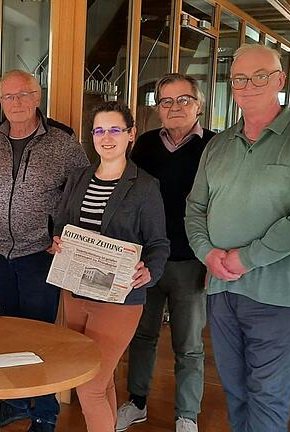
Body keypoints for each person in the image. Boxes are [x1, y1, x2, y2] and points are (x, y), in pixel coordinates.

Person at [185, 44, 290, 432]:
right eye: (240, 78)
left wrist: (245, 258)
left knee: (268, 395)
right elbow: (195, 208)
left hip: (280, 295)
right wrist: (207, 253)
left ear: (279, 81)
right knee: (235, 391)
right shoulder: (218, 145)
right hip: (221, 291)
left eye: (260, 76)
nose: (248, 85)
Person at [0, 69, 89, 432]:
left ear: (37, 97)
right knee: (6, 331)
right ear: (0, 102)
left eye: (23, 95)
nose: (15, 103)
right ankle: (16, 401)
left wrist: (63, 234)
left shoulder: (63, 142)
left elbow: (82, 194)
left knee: (41, 335)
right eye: (8, 97)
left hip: (41, 254)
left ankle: (45, 411)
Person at [49, 101, 169, 432]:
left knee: (88, 384)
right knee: (100, 383)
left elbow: (159, 243)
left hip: (120, 299)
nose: (107, 137)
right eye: (100, 130)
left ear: (130, 135)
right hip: (75, 292)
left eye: (115, 129)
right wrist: (57, 241)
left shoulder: (144, 185)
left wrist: (150, 271)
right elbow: (60, 225)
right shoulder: (79, 177)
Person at [117, 73, 215, 432]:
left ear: (199, 105)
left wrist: (212, 258)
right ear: (157, 108)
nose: (174, 108)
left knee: (188, 344)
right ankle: (137, 402)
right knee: (142, 336)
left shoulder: (215, 147)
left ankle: (186, 415)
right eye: (166, 101)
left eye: (183, 100)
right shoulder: (143, 145)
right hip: (145, 261)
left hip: (192, 260)